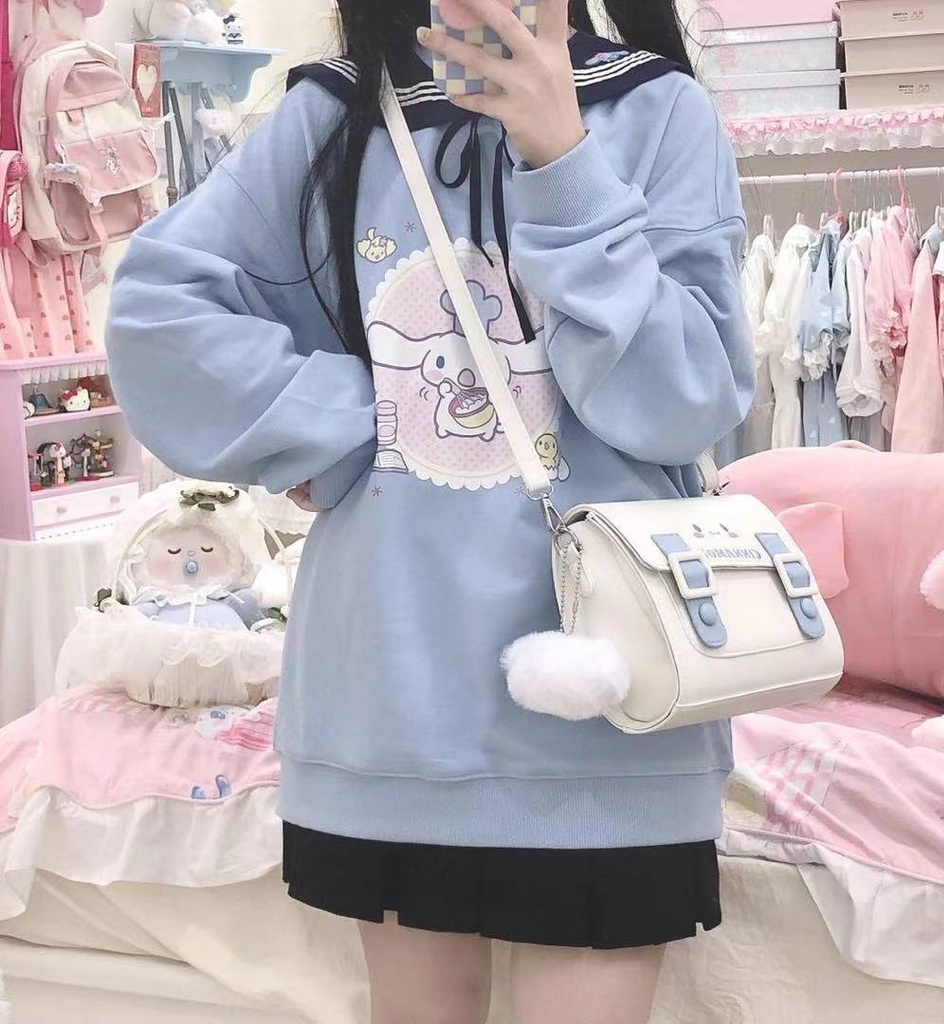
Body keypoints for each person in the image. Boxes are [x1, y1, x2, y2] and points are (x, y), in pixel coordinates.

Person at [106, 1, 754, 1021]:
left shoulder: (655, 107)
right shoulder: (334, 118)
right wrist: (349, 417)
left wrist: (563, 160)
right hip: (395, 701)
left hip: (614, 710)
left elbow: (686, 401)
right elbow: (158, 315)